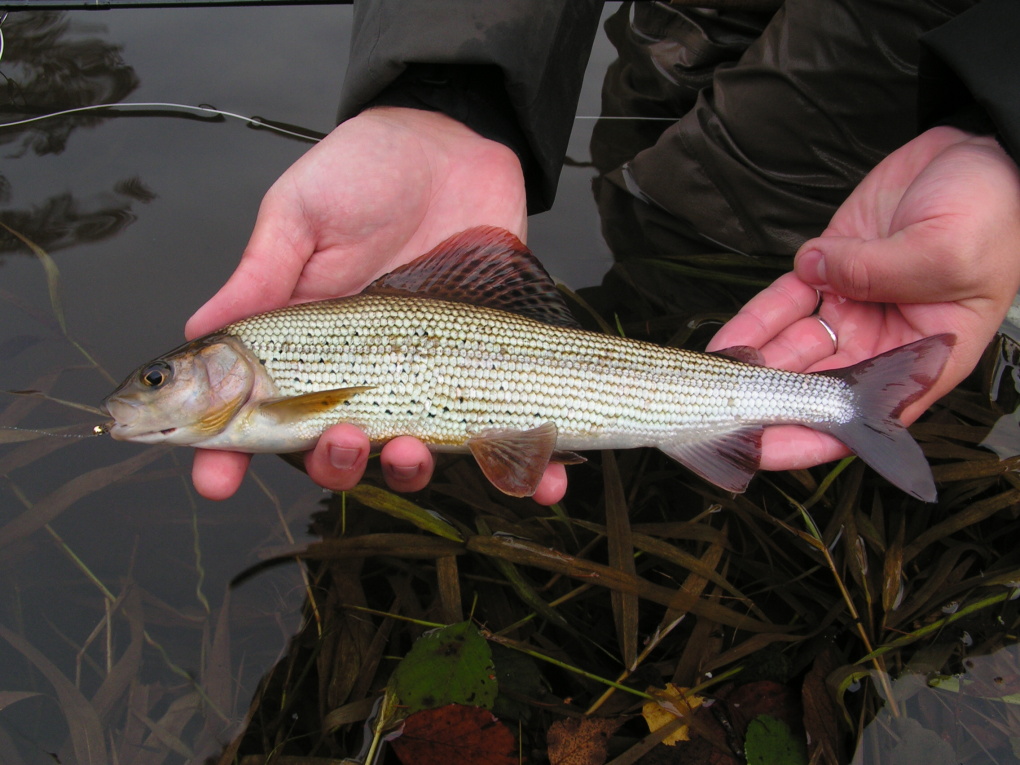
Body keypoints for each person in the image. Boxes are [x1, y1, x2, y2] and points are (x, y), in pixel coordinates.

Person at [184, 0, 1020, 505]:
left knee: (722, 198)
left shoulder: (254, 358)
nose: (158, 388)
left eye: (161, 379)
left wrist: (1001, 126)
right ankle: (760, 387)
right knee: (652, 106)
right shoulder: (257, 366)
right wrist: (446, 91)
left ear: (212, 368)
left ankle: (818, 392)